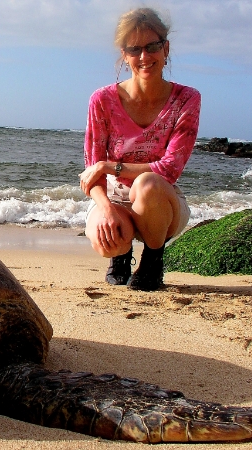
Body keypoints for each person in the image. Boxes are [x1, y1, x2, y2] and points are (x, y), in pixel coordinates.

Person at [79, 7, 201, 291]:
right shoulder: (102, 100)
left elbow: (170, 168)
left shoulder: (186, 99)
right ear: (125, 54)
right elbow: (91, 171)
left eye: (152, 46)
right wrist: (106, 208)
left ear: (165, 47)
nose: (144, 57)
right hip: (114, 196)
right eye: (135, 49)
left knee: (147, 184)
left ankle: (153, 259)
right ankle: (120, 257)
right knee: (104, 237)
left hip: (161, 201)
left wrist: (111, 166)